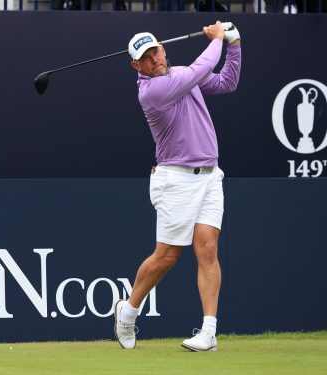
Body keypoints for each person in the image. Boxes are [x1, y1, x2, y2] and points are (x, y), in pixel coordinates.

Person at [114, 21, 241, 352]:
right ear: (136, 66)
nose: (154, 58)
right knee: (167, 255)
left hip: (210, 175)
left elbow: (227, 82)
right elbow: (204, 66)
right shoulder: (152, 92)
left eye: (155, 50)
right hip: (176, 179)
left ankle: (209, 332)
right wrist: (217, 39)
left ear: (163, 49)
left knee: (207, 249)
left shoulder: (186, 76)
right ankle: (128, 312)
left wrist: (235, 43)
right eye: (145, 56)